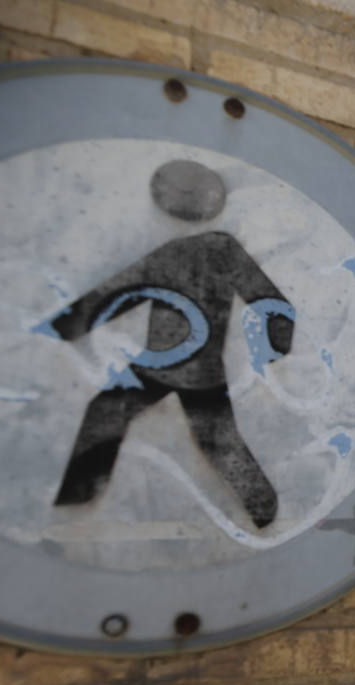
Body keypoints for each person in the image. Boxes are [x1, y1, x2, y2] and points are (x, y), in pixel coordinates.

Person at [39, 160, 295, 528]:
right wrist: (277, 346)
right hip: (170, 364)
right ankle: (262, 507)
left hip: (182, 368)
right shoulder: (202, 249)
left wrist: (64, 327)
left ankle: (262, 506)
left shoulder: (205, 250)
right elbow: (122, 291)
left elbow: (119, 291)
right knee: (122, 415)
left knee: (211, 437)